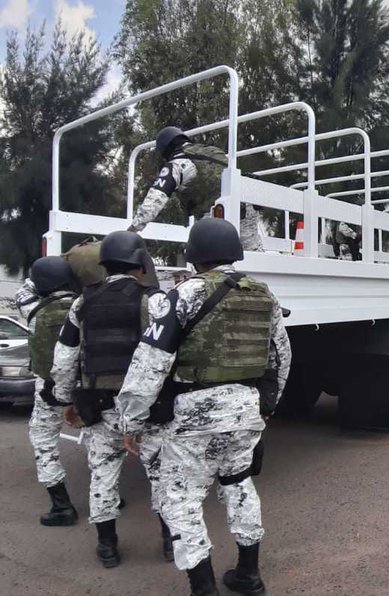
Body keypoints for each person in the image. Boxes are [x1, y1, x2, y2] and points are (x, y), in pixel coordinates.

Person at [115, 218, 291, 596]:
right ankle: (249, 574)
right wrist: (267, 406)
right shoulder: (265, 296)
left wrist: (131, 422)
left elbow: (149, 362)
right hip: (245, 411)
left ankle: (203, 588)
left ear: (193, 255)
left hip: (195, 414)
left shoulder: (180, 295)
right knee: (239, 486)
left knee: (181, 500)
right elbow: (281, 357)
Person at [49, 231, 172, 567]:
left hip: (99, 407)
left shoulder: (82, 302)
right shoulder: (156, 300)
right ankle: (169, 544)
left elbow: (64, 358)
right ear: (138, 262)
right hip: (146, 409)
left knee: (102, 477)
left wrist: (65, 401)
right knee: (161, 476)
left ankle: (107, 548)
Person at [128, 126, 265, 251]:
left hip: (216, 216)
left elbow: (155, 199)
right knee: (253, 257)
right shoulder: (212, 151)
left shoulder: (178, 163)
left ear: (165, 149)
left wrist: (133, 229)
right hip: (246, 209)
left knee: (209, 262)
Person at [17, 257, 79, 526]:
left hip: (49, 391)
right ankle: (108, 496)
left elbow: (25, 289)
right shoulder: (86, 306)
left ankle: (61, 506)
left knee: (44, 441)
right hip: (86, 389)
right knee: (102, 445)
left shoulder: (32, 309)